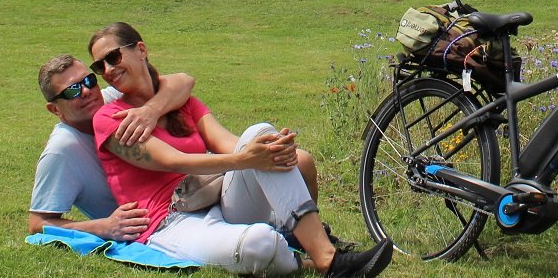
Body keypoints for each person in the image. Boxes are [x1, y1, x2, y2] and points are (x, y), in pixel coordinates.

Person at [88, 22, 392, 277]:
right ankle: (304, 255)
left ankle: (329, 259)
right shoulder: (109, 118)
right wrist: (244, 159)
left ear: (140, 50)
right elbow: (172, 160)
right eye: (99, 66)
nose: (108, 69)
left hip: (216, 199)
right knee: (261, 243)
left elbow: (230, 142)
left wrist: (269, 150)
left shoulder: (180, 103)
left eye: (113, 57)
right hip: (168, 223)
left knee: (261, 133)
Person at [29, 53, 196, 240]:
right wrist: (102, 227)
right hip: (161, 222)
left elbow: (184, 81)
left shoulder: (106, 100)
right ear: (55, 109)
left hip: (190, 188)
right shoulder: (62, 150)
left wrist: (152, 110)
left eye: (89, 80)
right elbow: (37, 223)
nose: (86, 91)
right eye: (72, 91)